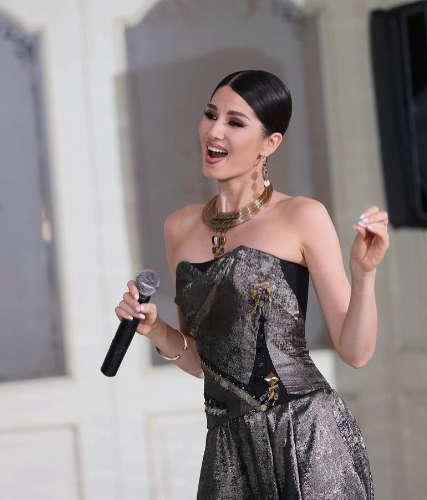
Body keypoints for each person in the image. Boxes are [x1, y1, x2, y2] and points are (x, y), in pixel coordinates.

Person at [116, 70, 389, 499]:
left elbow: (356, 352)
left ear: (269, 143)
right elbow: (203, 362)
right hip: (228, 451)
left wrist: (364, 273)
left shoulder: (302, 216)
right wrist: (154, 329)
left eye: (235, 122)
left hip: (305, 439)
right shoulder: (179, 228)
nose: (214, 131)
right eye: (211, 115)